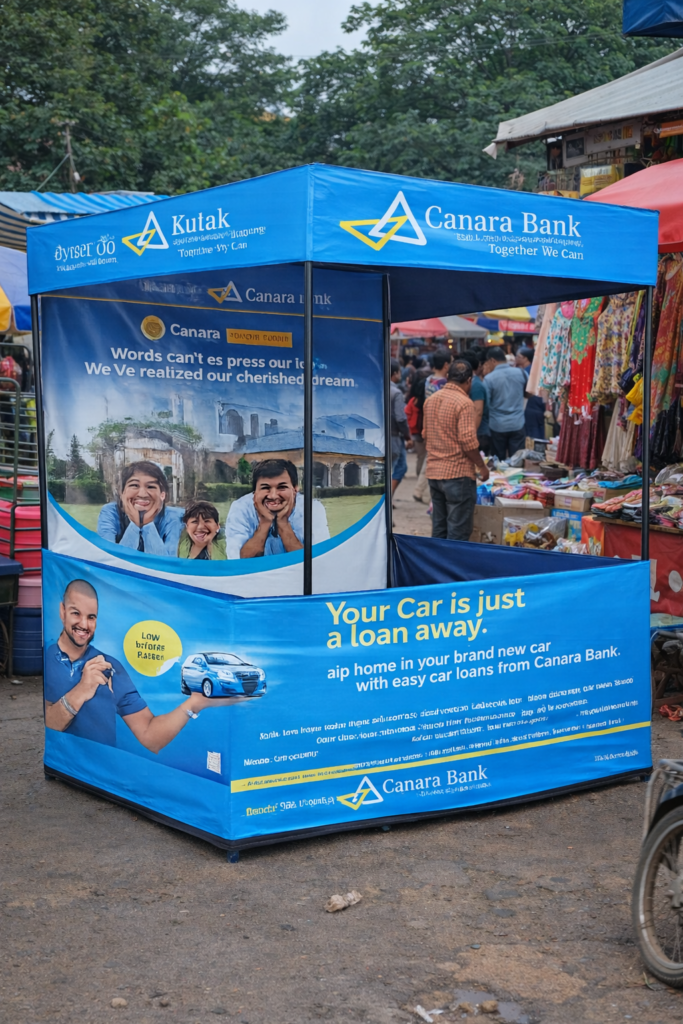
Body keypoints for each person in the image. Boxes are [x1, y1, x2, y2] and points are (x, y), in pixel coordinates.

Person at [44, 579, 241, 749]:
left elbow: (149, 735)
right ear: (62, 611)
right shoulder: (47, 654)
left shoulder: (109, 667)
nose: (84, 625)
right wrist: (82, 690)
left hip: (101, 776)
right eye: (76, 613)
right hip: (67, 769)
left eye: (91, 617)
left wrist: (196, 703)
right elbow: (49, 725)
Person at [422, 359, 489, 541]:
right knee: (457, 532)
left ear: (448, 377)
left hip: (435, 473)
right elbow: (468, 441)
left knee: (439, 528)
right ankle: (450, 568)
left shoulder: (431, 401)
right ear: (468, 381)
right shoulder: (464, 403)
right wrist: (481, 466)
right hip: (458, 475)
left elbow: (425, 434)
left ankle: (436, 567)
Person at [225, 458, 329, 559]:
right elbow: (237, 561)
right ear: (255, 492)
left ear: (295, 489)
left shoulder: (312, 508)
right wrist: (265, 523)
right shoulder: (240, 508)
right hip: (256, 576)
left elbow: (317, 561)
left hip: (297, 576)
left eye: (281, 487)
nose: (273, 496)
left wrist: (283, 523)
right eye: (265, 488)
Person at [97, 461, 183, 556]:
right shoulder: (110, 512)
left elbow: (167, 566)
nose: (142, 494)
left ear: (162, 494)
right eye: (134, 485)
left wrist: (148, 524)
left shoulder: (175, 517)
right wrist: (134, 525)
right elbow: (108, 559)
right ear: (122, 492)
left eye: (151, 487)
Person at [482, 346, 527, 461]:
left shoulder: (489, 379)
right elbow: (529, 393)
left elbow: (486, 403)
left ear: (492, 360)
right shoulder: (521, 373)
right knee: (517, 461)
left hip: (497, 425)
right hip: (517, 423)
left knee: (498, 461)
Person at [461, 349, 491, 456]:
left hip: (479, 434)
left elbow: (478, 411)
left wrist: (471, 435)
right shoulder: (470, 382)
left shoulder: (476, 385)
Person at [390, 359, 413, 497]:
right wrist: (407, 436)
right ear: (395, 373)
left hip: (382, 436)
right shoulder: (396, 393)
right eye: (399, 372)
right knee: (395, 468)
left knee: (399, 467)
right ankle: (387, 498)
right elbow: (401, 418)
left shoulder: (376, 388)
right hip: (394, 437)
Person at [515, 346, 546, 441]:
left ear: (524, 358)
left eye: (518, 356)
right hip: (540, 405)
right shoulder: (534, 369)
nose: (515, 358)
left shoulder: (526, 372)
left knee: (533, 437)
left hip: (532, 406)